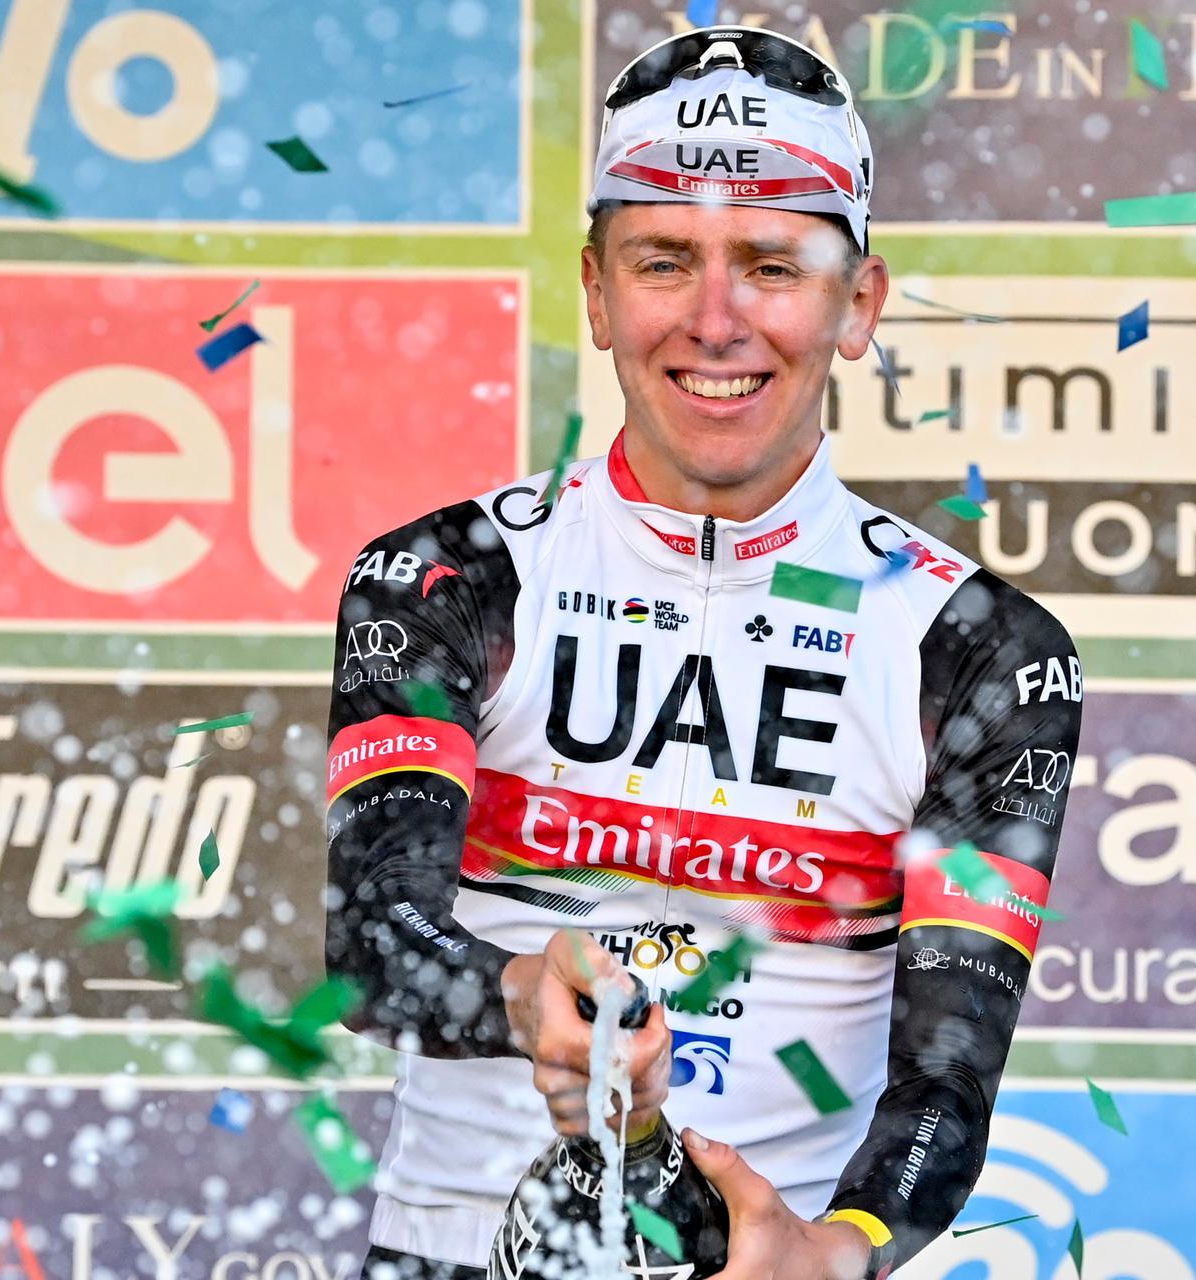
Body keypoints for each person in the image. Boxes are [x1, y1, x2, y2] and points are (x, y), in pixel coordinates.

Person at [325, 25, 1082, 1280]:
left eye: (772, 266)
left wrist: (835, 1251)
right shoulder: (446, 577)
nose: (716, 322)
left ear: (859, 303)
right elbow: (373, 940)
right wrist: (520, 991)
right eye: (665, 260)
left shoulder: (981, 650)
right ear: (597, 291)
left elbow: (946, 1081)